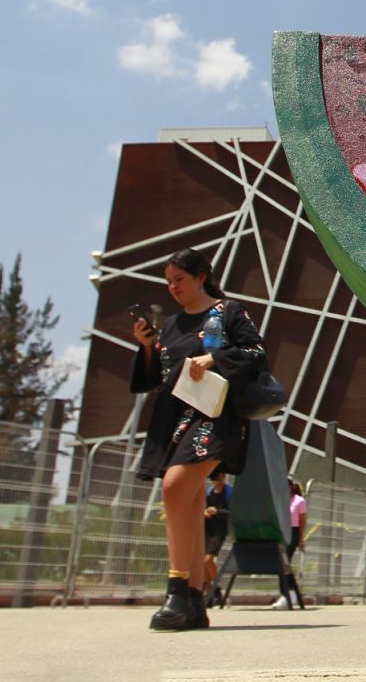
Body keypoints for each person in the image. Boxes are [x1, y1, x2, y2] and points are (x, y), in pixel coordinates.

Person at [131, 248, 267, 631]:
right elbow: (154, 378)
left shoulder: (229, 312)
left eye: (180, 279)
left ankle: (176, 588)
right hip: (174, 418)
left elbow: (257, 355)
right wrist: (145, 346)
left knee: (175, 486)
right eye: (169, 281)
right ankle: (192, 599)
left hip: (216, 415)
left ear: (202, 276)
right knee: (186, 499)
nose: (173, 287)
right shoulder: (172, 326)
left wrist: (215, 358)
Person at [272, 480, 308, 609]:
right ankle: (290, 593)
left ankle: (287, 594)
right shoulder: (281, 500)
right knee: (282, 564)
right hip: (282, 531)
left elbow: (302, 521)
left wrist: (300, 539)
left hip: (293, 532)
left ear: (292, 487)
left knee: (284, 562)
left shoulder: (299, 501)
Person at [201, 471, 231, 605]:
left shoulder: (229, 492)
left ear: (223, 476)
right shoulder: (209, 492)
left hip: (220, 529)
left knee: (208, 559)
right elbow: (203, 507)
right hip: (207, 528)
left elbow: (234, 512)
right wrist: (205, 512)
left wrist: (218, 512)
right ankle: (210, 594)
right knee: (202, 562)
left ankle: (216, 590)